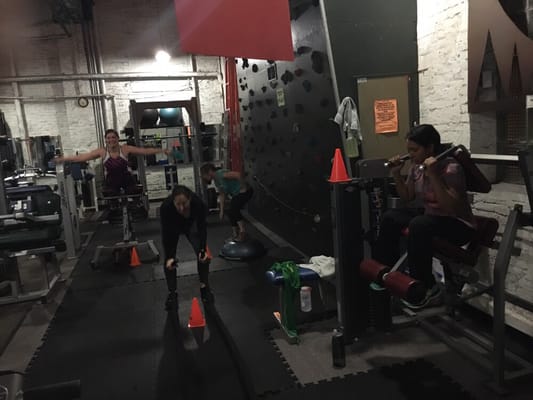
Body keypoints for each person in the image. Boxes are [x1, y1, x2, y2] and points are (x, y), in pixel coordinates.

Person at [375, 124, 475, 309]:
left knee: (419, 224)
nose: (411, 155)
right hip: (433, 218)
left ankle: (426, 287)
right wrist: (396, 173)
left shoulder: (451, 168)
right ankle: (385, 273)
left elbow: (449, 207)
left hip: (458, 224)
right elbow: (407, 198)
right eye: (409, 150)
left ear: (430, 148)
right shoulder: (416, 168)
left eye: (415, 150)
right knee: (391, 217)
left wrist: (434, 175)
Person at [55, 128, 168, 195]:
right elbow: (82, 157)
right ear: (106, 140)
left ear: (117, 138)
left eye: (113, 137)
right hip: (112, 182)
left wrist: (162, 150)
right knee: (110, 192)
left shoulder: (125, 149)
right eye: (108, 138)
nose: (111, 140)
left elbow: (144, 151)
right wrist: (63, 159)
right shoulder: (102, 151)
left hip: (127, 180)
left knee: (133, 191)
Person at [160, 184, 212, 309]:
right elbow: (166, 234)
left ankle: (204, 287)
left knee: (203, 256)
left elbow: (202, 228)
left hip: (191, 225)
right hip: (173, 227)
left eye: (184, 203)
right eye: (178, 204)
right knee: (169, 262)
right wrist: (170, 256)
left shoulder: (198, 204)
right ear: (173, 201)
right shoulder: (166, 208)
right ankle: (172, 293)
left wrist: (203, 249)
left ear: (190, 199)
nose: (182, 208)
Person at [200, 163, 253, 241]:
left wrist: (243, 187)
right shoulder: (216, 181)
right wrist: (221, 210)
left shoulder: (220, 174)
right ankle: (235, 234)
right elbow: (222, 195)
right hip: (237, 194)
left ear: (210, 171)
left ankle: (242, 232)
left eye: (203, 174)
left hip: (246, 191)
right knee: (230, 212)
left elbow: (238, 175)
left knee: (234, 208)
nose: (203, 177)